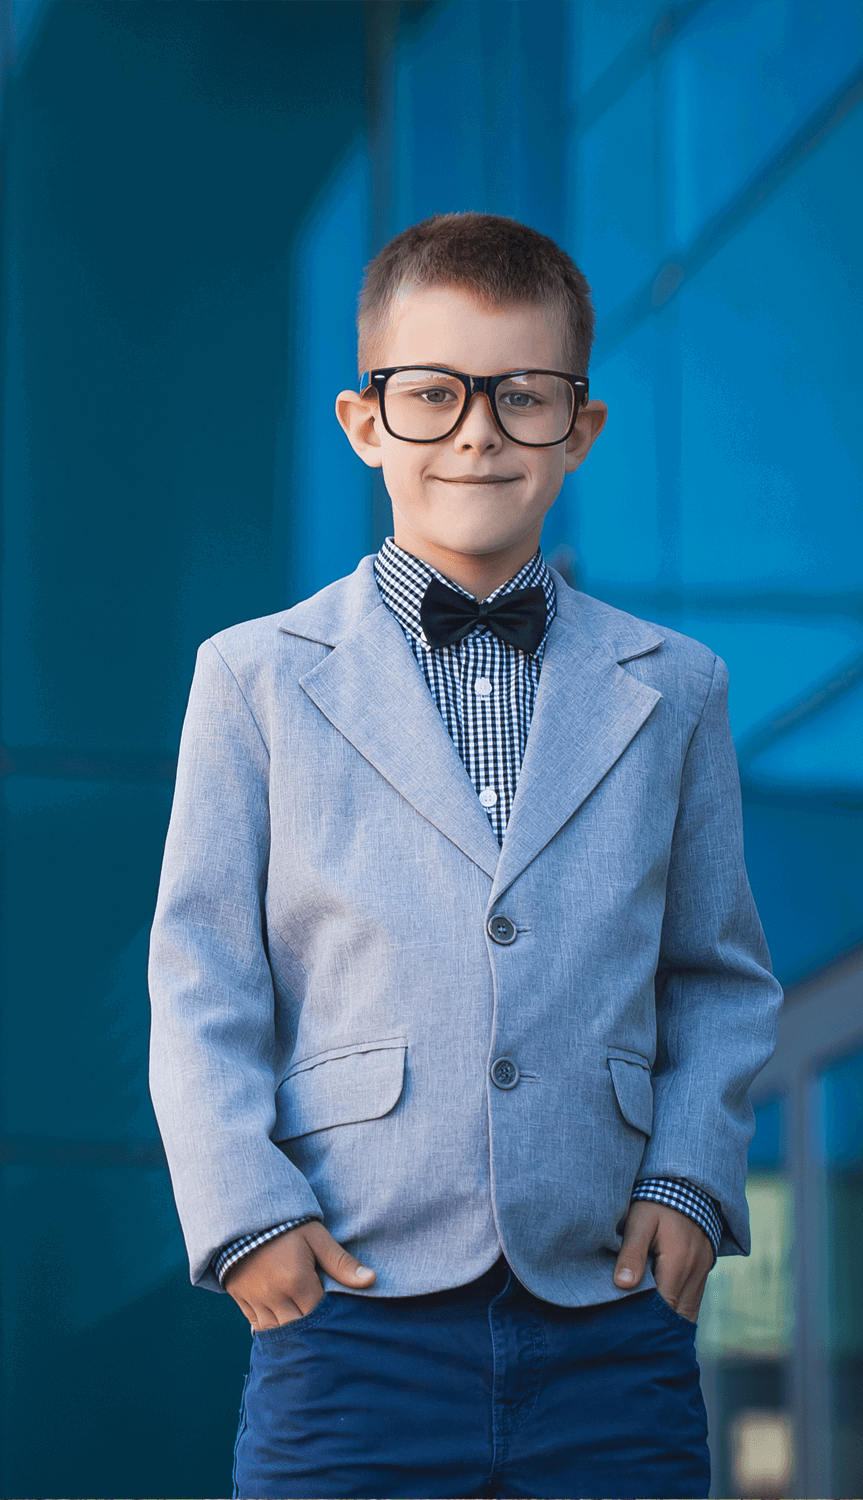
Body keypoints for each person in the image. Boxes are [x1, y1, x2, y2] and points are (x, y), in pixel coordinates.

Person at [148, 211, 782, 1500]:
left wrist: (693, 1182)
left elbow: (717, 979)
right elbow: (202, 974)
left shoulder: (678, 687)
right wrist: (245, 1214)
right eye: (432, 394)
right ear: (364, 421)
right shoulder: (255, 678)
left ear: (580, 430)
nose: (479, 432)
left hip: (609, 1316)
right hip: (351, 1316)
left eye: (523, 396)